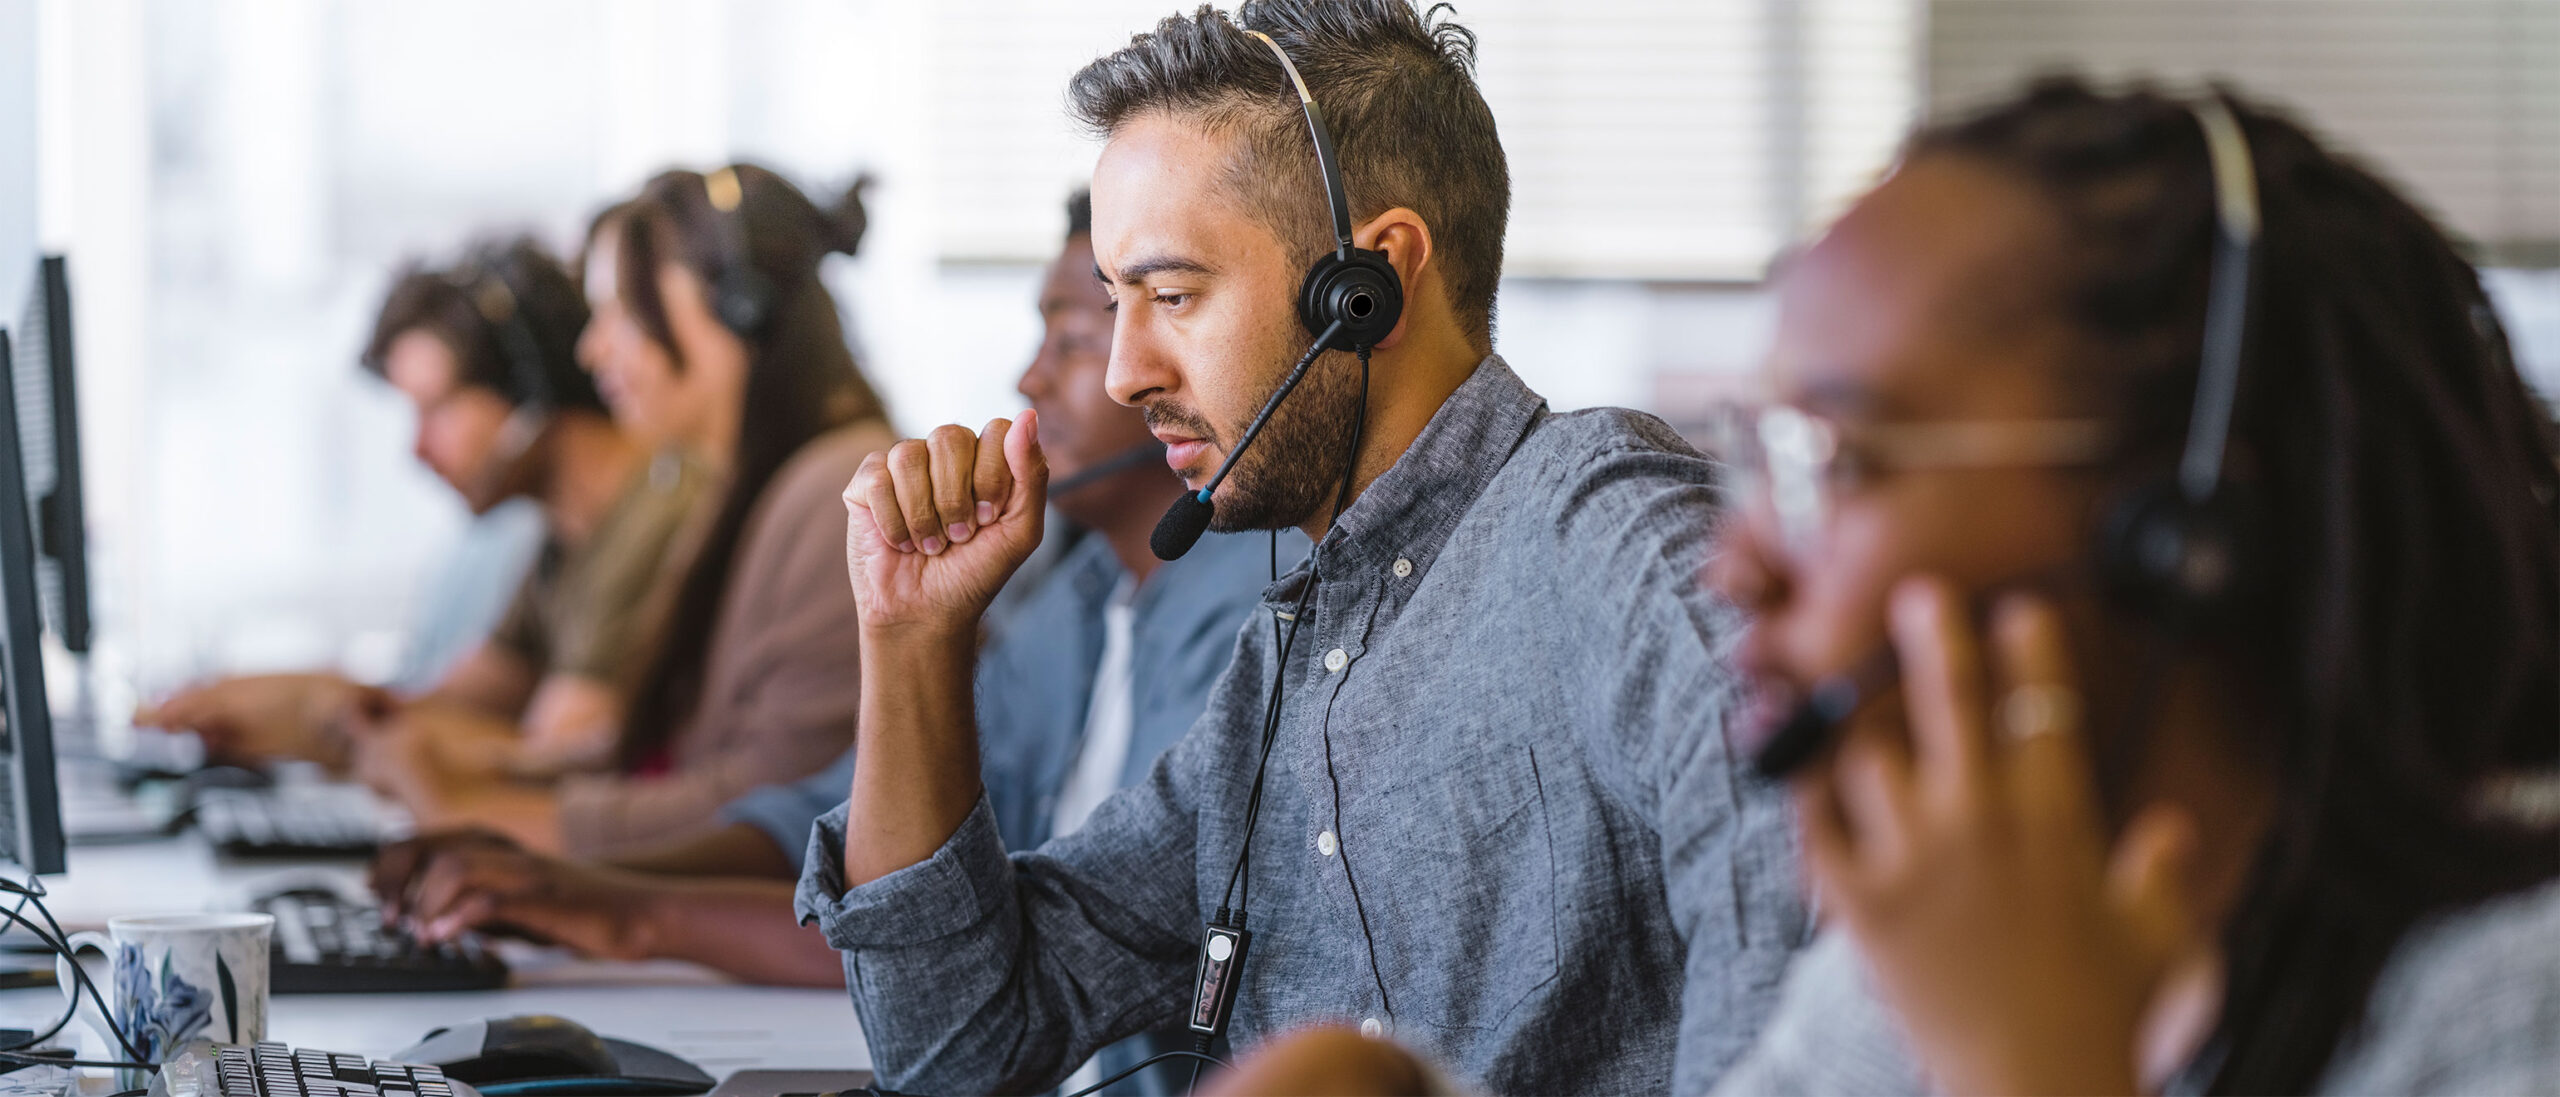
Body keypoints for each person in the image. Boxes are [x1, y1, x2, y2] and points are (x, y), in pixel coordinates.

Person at [1224, 77, 2560, 1097]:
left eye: (1837, 461)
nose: (1737, 559)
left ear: (2189, 524)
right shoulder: (1934, 947)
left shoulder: (2510, 1000)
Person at [800, 3, 1805, 1093]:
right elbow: (955, 1045)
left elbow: (1807, 905)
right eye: (1114, 304)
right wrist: (908, 638)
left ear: (1365, 287)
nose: (1121, 373)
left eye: (1173, 296)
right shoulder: (1285, 670)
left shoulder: (1604, 531)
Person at [368, 191, 1292, 1093]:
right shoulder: (1077, 597)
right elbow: (832, 825)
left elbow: (986, 950)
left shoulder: (1251, 621)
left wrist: (618, 908)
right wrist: (588, 893)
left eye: (1072, 341)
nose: (1029, 379)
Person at [356, 165, 898, 860]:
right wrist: (463, 776)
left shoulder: (840, 498)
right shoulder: (736, 492)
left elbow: (774, 803)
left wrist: (480, 811)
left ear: (739, 309)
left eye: (623, 311)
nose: (592, 349)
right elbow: (666, 756)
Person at [138, 238, 702, 776]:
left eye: (438, 410)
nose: (418, 449)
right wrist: (273, 708)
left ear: (531, 384)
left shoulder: (655, 520)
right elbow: (435, 709)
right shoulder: (559, 543)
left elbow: (553, 755)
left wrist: (333, 721)